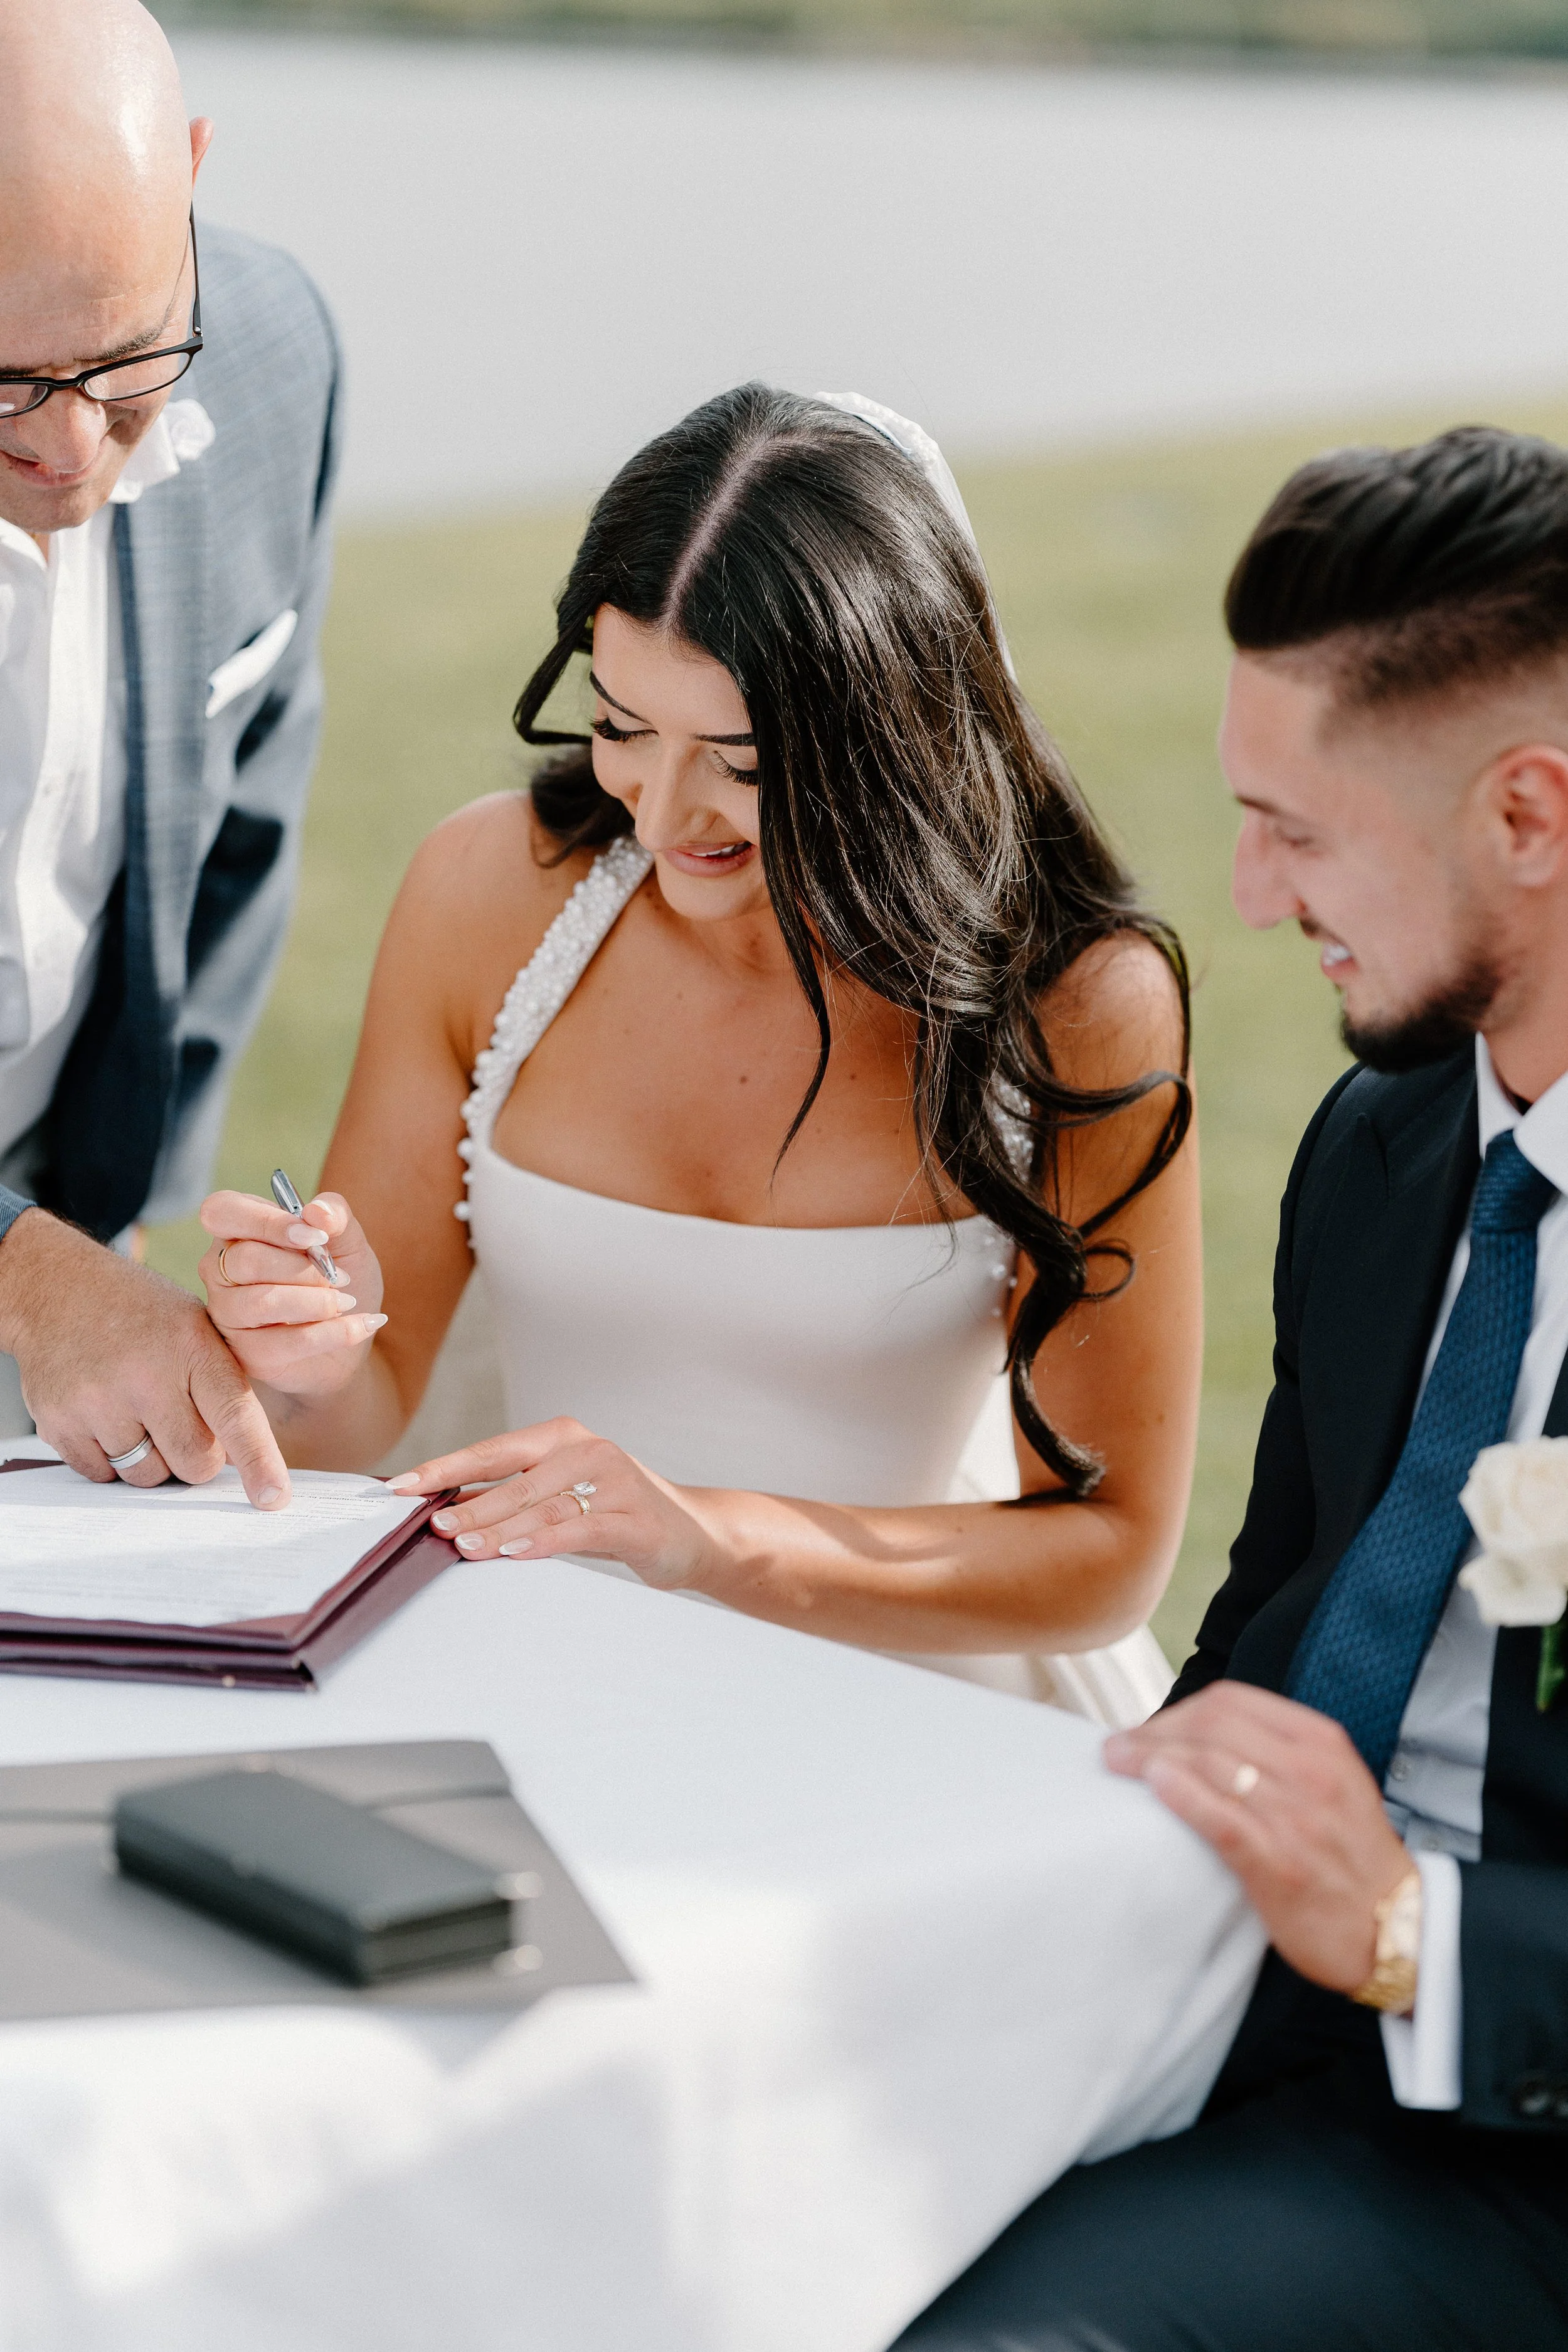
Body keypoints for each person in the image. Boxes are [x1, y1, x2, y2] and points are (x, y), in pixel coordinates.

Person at [198, 384, 1200, 1713]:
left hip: (917, 1704)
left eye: (734, 757)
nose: (662, 813)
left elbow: (1107, 1552)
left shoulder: (1073, 1003)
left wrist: (697, 1537)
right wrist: (307, 1353)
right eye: (620, 725)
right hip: (538, 1676)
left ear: (883, 736)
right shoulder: (485, 895)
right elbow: (367, 1404)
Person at [895, 425, 1568, 2347]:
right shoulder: (1382, 1147)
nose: (1249, 894)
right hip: (1212, 1978)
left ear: (1527, 812)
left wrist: (1407, 1935)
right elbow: (1273, 1620)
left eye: (1297, 826)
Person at [0, 0, 341, 1509]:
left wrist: (131, 1214)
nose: (71, 447)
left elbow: (244, 827)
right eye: (2, 380)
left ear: (190, 177)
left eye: (128, 360)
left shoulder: (277, 360)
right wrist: (29, 1277)